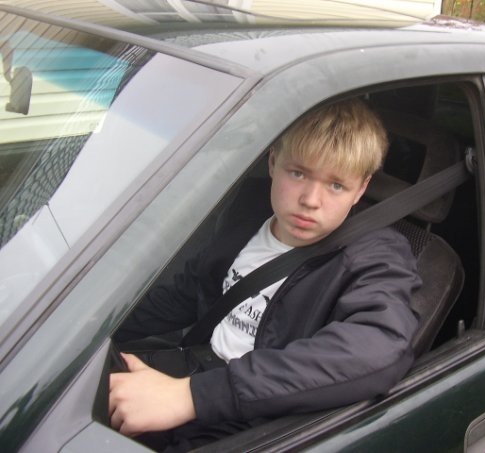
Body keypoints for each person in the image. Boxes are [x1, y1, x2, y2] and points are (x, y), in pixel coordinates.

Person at [109, 98, 421, 451]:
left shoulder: (374, 254)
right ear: (273, 162)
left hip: (255, 417)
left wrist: (192, 397)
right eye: (298, 173)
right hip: (192, 369)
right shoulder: (248, 211)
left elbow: (378, 348)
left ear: (361, 189)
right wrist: (97, 328)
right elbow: (189, 290)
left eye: (336, 185)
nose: (311, 200)